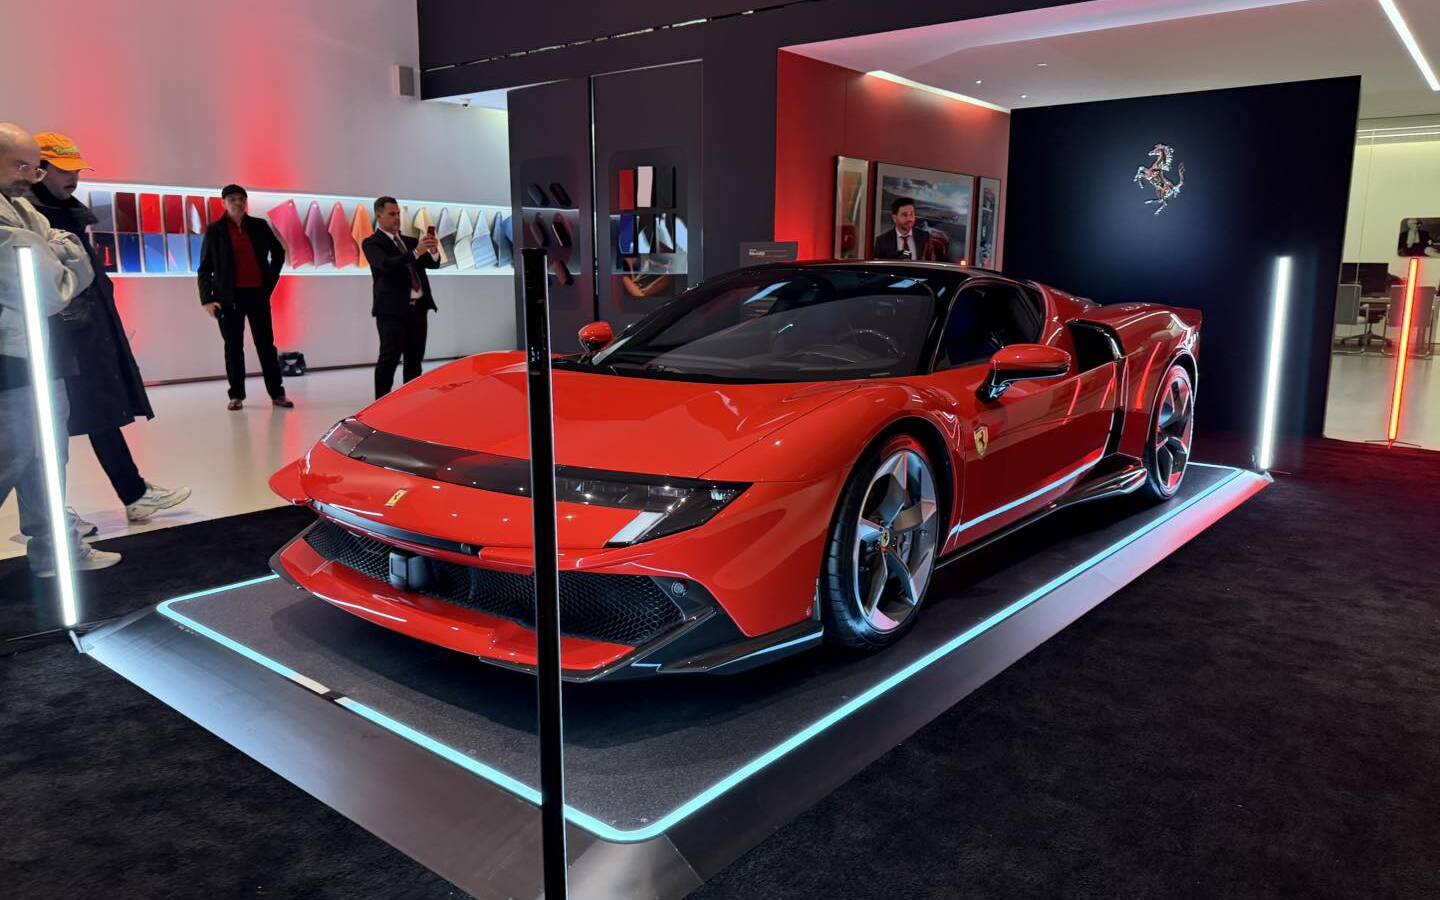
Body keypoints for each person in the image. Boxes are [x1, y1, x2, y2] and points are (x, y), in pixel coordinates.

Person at [29, 133, 191, 527]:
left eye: (76, 170)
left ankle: (131, 494)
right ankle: (49, 517)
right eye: (64, 170)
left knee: (99, 411)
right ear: (40, 170)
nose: (73, 178)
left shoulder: (65, 212)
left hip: (82, 330)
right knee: (48, 428)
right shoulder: (32, 216)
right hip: (53, 337)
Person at [0, 123, 119, 575]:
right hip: (8, 362)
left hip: (39, 352)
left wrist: (49, 251)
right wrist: (52, 255)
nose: (30, 177)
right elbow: (49, 289)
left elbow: (68, 255)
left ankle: (55, 551)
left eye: (35, 168)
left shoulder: (22, 210)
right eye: (21, 166)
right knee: (11, 457)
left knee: (47, 458)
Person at [197, 184, 293, 410]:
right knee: (233, 347)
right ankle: (236, 395)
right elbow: (204, 268)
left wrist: (269, 282)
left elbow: (278, 252)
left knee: (266, 346)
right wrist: (207, 299)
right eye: (232, 199)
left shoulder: (259, 225)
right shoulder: (215, 230)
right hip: (228, 298)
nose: (238, 203)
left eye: (241, 199)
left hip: (258, 295)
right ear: (224, 203)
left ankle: (277, 394)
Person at [362, 196, 439, 398]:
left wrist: (432, 250)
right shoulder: (372, 243)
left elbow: (433, 264)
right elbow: (386, 264)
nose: (397, 218)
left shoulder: (410, 241)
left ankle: (410, 403)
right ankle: (380, 405)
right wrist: (415, 253)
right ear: (379, 215)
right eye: (392, 214)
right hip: (391, 311)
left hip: (418, 309)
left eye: (398, 214)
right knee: (389, 360)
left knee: (414, 360)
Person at [872, 196, 947, 262]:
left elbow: (931, 265)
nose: (909, 219)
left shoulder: (925, 237)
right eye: (904, 215)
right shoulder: (882, 241)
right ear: (894, 218)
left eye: (911, 214)